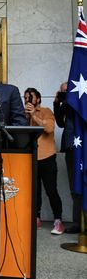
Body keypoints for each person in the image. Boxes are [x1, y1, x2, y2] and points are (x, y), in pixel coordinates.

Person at [24, 88, 65, 234]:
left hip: (47, 157)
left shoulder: (46, 111)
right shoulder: (23, 115)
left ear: (38, 99)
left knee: (51, 190)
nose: (27, 100)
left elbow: (49, 128)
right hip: (31, 157)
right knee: (34, 191)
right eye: (26, 97)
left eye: (30, 97)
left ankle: (58, 220)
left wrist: (34, 114)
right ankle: (36, 218)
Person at [53, 82, 83, 234]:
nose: (65, 92)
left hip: (83, 148)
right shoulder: (66, 104)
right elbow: (59, 122)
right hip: (72, 149)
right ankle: (78, 223)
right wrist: (57, 103)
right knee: (74, 187)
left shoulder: (81, 102)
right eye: (63, 90)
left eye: (67, 90)